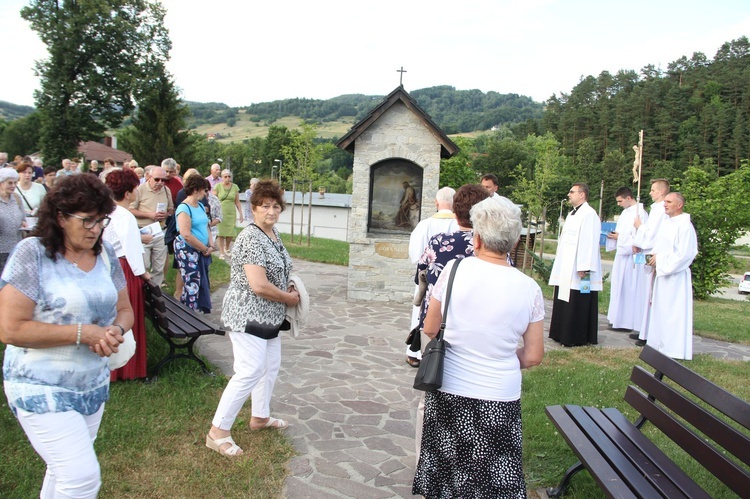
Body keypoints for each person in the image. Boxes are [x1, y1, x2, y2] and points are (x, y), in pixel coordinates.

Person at [0, 173, 134, 498]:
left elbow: (125, 310)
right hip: (39, 384)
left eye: (101, 220)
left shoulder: (105, 255)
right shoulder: (32, 254)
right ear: (60, 217)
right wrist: (81, 333)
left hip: (91, 384)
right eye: (87, 221)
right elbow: (9, 328)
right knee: (81, 477)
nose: (96, 229)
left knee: (63, 473)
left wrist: (115, 330)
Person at [412, 197, 544, 498]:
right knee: (493, 479)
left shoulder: (454, 272)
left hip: (450, 388)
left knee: (449, 474)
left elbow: (430, 328)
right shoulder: (529, 289)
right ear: (512, 242)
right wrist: (502, 356)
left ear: (478, 238)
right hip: (500, 394)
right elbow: (534, 355)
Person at [206, 179, 299, 457]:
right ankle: (217, 432)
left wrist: (290, 286)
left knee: (270, 367)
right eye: (265, 206)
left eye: (275, 206)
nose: (271, 211)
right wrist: (289, 298)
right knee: (248, 371)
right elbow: (258, 285)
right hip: (247, 315)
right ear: (253, 208)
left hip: (270, 316)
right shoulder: (249, 236)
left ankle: (260, 417)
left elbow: (281, 268)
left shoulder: (273, 234)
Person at [103, 169, 151, 380]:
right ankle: (126, 368)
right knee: (127, 314)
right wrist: (143, 274)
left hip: (106, 266)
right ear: (128, 192)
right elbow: (130, 249)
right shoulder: (125, 215)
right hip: (123, 269)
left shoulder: (105, 211)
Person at [405, 186, 457, 367]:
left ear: (436, 202)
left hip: (427, 277)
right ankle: (444, 352)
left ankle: (415, 352)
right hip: (453, 278)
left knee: (419, 313)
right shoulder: (460, 224)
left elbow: (415, 255)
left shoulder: (425, 224)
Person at [641, 193, 698, 360]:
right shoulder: (667, 223)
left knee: (673, 313)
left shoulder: (685, 226)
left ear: (679, 205)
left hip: (676, 277)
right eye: (664, 201)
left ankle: (673, 349)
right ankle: (658, 344)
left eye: (668, 202)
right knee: (660, 311)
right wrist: (652, 257)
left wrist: (661, 260)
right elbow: (660, 247)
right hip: (662, 274)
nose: (664, 204)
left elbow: (686, 255)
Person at [548, 183, 602, 347]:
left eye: (572, 192)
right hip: (567, 265)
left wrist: (584, 266)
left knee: (577, 299)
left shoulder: (589, 214)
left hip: (578, 267)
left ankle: (576, 336)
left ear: (582, 194)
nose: (569, 194)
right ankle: (561, 333)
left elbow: (589, 241)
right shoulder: (573, 213)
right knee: (564, 297)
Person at [631, 178, 670, 345]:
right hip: (646, 249)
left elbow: (652, 232)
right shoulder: (656, 209)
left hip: (652, 252)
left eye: (653, 190)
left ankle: (647, 334)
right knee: (644, 293)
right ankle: (644, 329)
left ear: (661, 191)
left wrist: (640, 226)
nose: (650, 193)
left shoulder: (661, 210)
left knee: (649, 293)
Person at [606, 187, 647, 331]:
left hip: (632, 257)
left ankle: (627, 321)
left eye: (620, 201)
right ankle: (617, 318)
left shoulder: (640, 213)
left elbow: (641, 236)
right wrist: (614, 235)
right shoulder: (625, 213)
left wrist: (620, 238)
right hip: (621, 256)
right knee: (618, 286)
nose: (618, 204)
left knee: (630, 287)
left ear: (629, 198)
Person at [174, 175, 215, 313]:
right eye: (204, 190)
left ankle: (196, 309)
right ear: (196, 190)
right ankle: (188, 313)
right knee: (192, 282)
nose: (205, 193)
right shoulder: (184, 208)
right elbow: (186, 234)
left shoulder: (201, 206)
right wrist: (204, 248)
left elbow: (206, 226)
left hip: (201, 249)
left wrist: (211, 244)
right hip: (187, 249)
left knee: (201, 281)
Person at [128, 166, 174, 286]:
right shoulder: (140, 190)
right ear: (149, 177)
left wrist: (167, 214)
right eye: (157, 179)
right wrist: (149, 215)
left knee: (159, 267)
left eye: (163, 180)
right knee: (144, 265)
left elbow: (171, 209)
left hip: (160, 230)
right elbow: (131, 209)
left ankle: (156, 292)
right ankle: (143, 291)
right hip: (144, 230)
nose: (160, 183)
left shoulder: (166, 190)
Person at [0, 168, 26, 273]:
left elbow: (23, 218)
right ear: (1, 183)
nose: (13, 186)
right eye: (10, 183)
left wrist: (24, 223)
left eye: (15, 183)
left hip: (16, 249)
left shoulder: (17, 198)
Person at [213, 169, 243, 258]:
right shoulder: (218, 186)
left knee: (231, 232)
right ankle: (221, 252)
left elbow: (237, 201)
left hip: (231, 212)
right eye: (225, 176)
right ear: (222, 177)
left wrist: (241, 213)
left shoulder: (235, 187)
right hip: (221, 211)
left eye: (229, 176)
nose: (227, 178)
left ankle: (227, 248)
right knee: (221, 232)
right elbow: (213, 199)